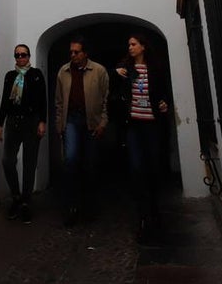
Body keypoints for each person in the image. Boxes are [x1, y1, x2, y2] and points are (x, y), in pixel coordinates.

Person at [114, 31, 172, 240]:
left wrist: (165, 103)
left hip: (152, 125)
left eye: (134, 44)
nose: (130, 47)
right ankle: (143, 215)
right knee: (137, 169)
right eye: (129, 44)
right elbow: (117, 94)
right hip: (134, 126)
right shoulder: (125, 70)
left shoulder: (155, 69)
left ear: (143, 46)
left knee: (153, 168)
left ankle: (155, 211)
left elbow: (163, 93)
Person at [54, 32, 108, 227]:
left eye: (76, 52)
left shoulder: (99, 71)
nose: (73, 55)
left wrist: (103, 123)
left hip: (91, 121)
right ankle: (71, 206)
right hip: (71, 120)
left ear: (85, 53)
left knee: (90, 164)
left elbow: (106, 99)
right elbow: (59, 101)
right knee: (70, 161)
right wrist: (59, 124)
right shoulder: (63, 72)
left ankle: (90, 206)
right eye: (71, 52)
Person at [0, 43, 46, 223]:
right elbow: (5, 100)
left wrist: (42, 121)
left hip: (31, 122)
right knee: (7, 161)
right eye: (17, 55)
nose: (20, 58)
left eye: (23, 55)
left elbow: (43, 100)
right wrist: (0, 124)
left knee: (29, 163)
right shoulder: (10, 76)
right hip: (13, 122)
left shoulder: (36, 75)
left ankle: (26, 202)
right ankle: (16, 197)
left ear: (29, 56)